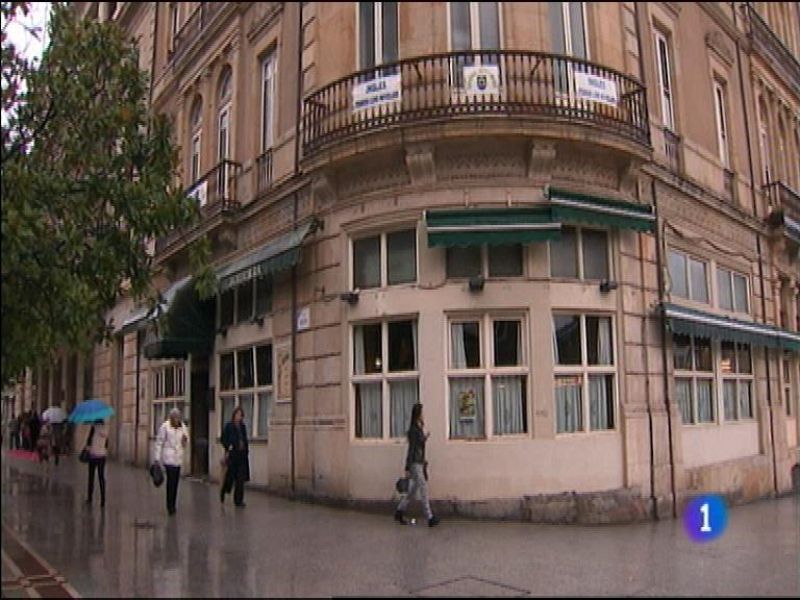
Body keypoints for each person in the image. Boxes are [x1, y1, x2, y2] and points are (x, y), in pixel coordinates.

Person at [395, 403, 439, 527]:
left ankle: (399, 511)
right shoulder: (414, 430)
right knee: (423, 488)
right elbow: (412, 449)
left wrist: (424, 439)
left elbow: (419, 446)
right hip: (415, 463)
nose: (423, 415)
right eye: (422, 413)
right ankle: (430, 517)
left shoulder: (418, 428)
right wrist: (407, 466)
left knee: (412, 491)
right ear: (418, 414)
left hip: (419, 462)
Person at [154, 408, 189, 515]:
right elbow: (159, 442)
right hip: (168, 457)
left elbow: (186, 439)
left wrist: (185, 440)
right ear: (171, 417)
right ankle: (170, 505)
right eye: (175, 417)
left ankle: (173, 502)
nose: (177, 420)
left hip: (178, 457)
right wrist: (157, 458)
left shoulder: (182, 427)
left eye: (178, 417)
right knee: (171, 481)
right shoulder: (165, 427)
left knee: (175, 482)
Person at [220, 406, 250, 507]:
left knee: (240, 479)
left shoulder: (242, 426)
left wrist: (246, 450)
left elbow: (245, 439)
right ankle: (224, 490)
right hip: (233, 455)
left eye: (241, 415)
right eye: (237, 414)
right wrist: (228, 446)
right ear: (234, 415)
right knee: (230, 477)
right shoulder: (229, 426)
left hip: (241, 455)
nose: (239, 417)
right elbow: (223, 439)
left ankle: (238, 500)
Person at [84, 419, 108, 507]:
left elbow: (88, 443)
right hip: (102, 456)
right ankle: (103, 499)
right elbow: (106, 444)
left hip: (93, 455)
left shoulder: (93, 428)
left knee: (91, 477)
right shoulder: (105, 430)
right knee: (101, 477)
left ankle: (90, 497)